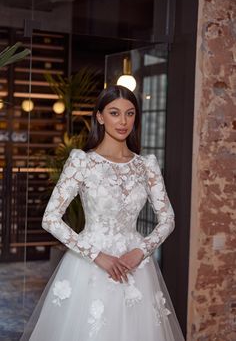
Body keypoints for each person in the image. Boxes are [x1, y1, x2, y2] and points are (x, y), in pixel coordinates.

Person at [20, 85, 185, 341]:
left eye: (130, 114)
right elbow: (50, 218)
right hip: (91, 266)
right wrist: (96, 255)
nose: (123, 121)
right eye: (114, 113)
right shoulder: (82, 162)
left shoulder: (146, 166)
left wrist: (140, 251)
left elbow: (168, 219)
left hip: (135, 266)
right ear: (100, 116)